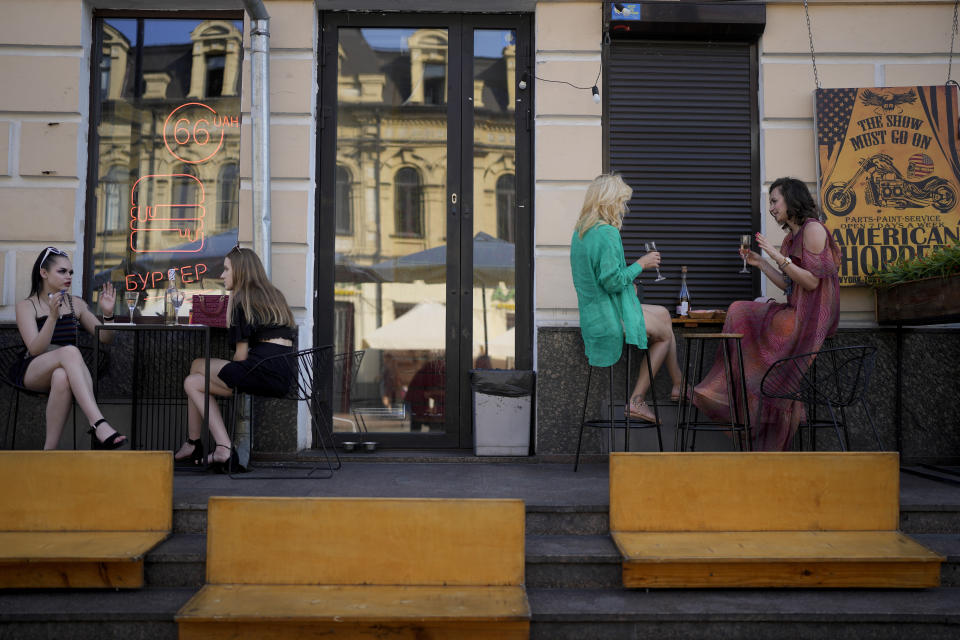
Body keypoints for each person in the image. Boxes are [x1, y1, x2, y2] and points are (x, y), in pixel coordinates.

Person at [692, 177, 841, 451]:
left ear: (791, 200)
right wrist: (760, 262)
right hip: (794, 310)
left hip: (811, 318)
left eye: (774, 201)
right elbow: (789, 284)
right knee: (739, 309)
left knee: (749, 317)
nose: (771, 208)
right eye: (770, 203)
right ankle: (736, 394)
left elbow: (811, 283)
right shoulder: (790, 238)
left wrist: (774, 255)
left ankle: (757, 396)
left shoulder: (813, 229)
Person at [570, 174, 682, 422]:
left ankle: (678, 385)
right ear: (609, 201)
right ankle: (637, 401)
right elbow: (611, 282)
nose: (624, 207)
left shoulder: (581, 233)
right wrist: (641, 264)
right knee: (664, 334)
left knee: (664, 313)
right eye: (621, 201)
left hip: (594, 314)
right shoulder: (607, 233)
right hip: (610, 317)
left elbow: (598, 278)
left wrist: (626, 282)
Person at [174, 247, 297, 471]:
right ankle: (220, 448)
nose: (222, 276)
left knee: (196, 365)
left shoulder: (242, 299)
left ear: (240, 271)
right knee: (192, 382)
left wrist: (227, 382)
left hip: (259, 370)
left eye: (226, 269)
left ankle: (194, 443)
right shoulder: (273, 295)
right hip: (281, 373)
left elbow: (240, 357)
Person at [12, 246, 126, 450]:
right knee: (70, 351)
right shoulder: (27, 306)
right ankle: (98, 423)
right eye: (62, 271)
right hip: (34, 369)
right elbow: (35, 349)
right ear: (44, 273)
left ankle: (49, 451)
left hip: (67, 370)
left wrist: (107, 314)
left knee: (61, 376)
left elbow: (105, 338)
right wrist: (53, 318)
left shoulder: (76, 304)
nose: (68, 276)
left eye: (71, 272)